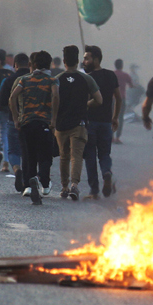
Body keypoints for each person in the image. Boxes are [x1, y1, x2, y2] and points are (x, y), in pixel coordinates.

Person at [9, 51, 58, 205]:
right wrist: (54, 119)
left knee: (28, 155)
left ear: (32, 64)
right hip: (44, 123)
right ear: (48, 64)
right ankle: (43, 184)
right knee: (45, 155)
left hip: (26, 123)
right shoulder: (52, 80)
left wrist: (16, 118)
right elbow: (56, 96)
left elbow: (12, 98)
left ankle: (28, 186)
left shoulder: (24, 80)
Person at [54, 45, 101, 201]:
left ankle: (64, 187)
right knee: (77, 156)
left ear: (64, 61)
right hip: (79, 124)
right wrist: (86, 104)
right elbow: (99, 100)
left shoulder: (57, 80)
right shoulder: (86, 78)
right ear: (78, 61)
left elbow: (52, 101)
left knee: (64, 156)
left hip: (61, 124)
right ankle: (74, 185)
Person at [82, 45, 121, 199]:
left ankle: (94, 191)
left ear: (96, 59)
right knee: (105, 154)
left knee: (90, 156)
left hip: (90, 123)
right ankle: (107, 173)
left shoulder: (87, 78)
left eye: (87, 58)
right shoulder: (111, 75)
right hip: (106, 123)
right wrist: (115, 117)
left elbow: (83, 102)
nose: (83, 61)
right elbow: (118, 97)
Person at [0, 53, 31, 184]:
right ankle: (29, 175)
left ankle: (17, 170)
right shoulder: (34, 79)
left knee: (13, 149)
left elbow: (2, 102)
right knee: (29, 149)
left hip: (13, 119)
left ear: (15, 65)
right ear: (29, 64)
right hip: (31, 120)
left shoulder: (9, 80)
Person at [112, 58, 134, 144]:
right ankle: (117, 137)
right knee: (120, 118)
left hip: (113, 98)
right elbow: (131, 86)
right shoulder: (125, 75)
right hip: (121, 98)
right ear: (122, 66)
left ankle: (112, 137)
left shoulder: (112, 74)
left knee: (112, 117)